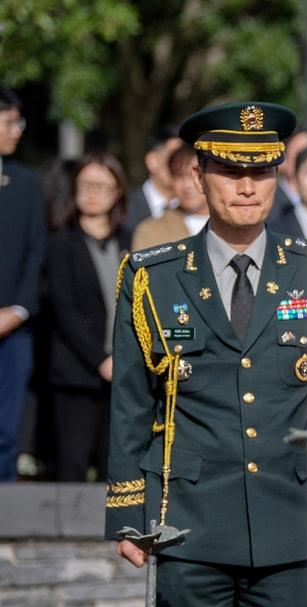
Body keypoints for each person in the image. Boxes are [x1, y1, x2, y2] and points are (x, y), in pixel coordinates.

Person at [105, 102, 307, 607]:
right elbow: (132, 402)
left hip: (289, 524)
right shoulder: (151, 276)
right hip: (187, 521)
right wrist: (128, 510)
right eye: (230, 170)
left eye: (262, 170)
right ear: (197, 176)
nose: (247, 185)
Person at [41, 152, 130, 481]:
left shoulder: (130, 242)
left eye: (101, 186)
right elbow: (64, 311)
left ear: (118, 191)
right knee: (73, 463)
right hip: (77, 372)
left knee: (116, 466)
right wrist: (100, 360)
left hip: (123, 373)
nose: (92, 193)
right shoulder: (60, 243)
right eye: (85, 185)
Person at [0, 88, 45, 482]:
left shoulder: (27, 183)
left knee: (6, 432)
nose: (17, 131)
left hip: (14, 329)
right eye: (11, 122)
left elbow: (36, 253)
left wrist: (15, 311)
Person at [131, 144, 208, 251]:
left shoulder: (231, 222)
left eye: (195, 176)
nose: (187, 185)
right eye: (179, 176)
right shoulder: (152, 231)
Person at [122, 128, 181, 233]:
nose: (180, 165)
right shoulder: (124, 209)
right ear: (152, 161)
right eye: (174, 156)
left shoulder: (196, 209)